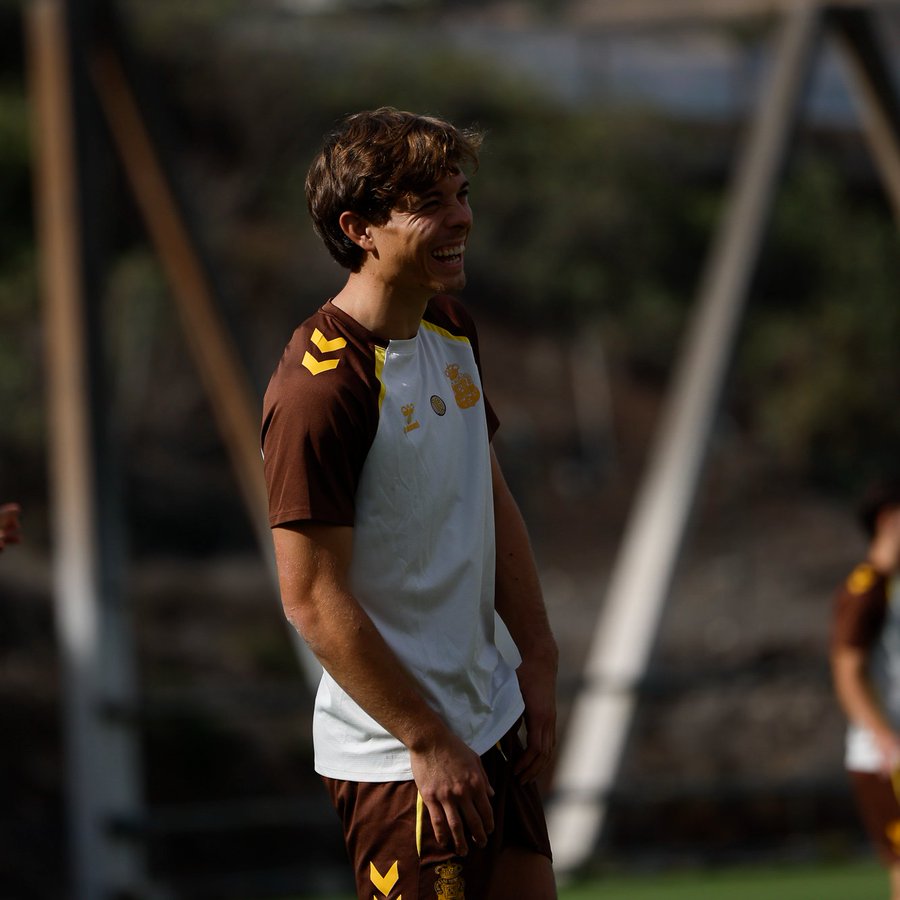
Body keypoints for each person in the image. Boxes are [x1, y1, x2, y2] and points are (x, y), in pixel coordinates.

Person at [260, 108, 558, 899]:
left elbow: (488, 494)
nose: (461, 218)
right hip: (402, 761)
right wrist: (426, 739)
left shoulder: (449, 325)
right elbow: (310, 597)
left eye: (462, 195)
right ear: (358, 228)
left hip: (489, 724)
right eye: (429, 204)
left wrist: (538, 657)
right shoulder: (320, 388)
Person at [831, 476, 900, 898]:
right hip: (885, 758)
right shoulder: (866, 589)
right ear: (889, 520)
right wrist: (883, 737)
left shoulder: (892, 588)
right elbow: (847, 673)